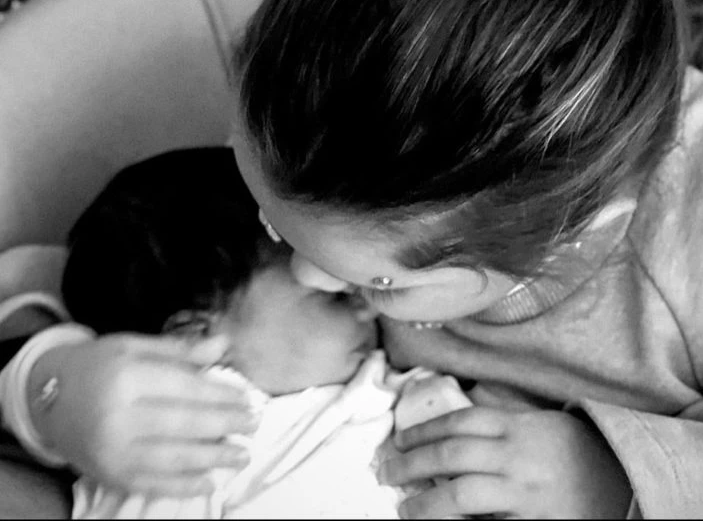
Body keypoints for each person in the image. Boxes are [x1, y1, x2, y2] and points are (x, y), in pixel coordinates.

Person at [2, 0, 703, 518]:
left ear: (572, 234)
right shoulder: (318, 141)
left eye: (382, 285)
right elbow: (58, 274)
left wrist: (619, 483)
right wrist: (54, 387)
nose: (307, 276)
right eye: (268, 222)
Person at [5, 147, 472, 519]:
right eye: (333, 299)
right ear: (193, 338)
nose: (368, 307)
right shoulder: (186, 442)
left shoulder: (387, 381)